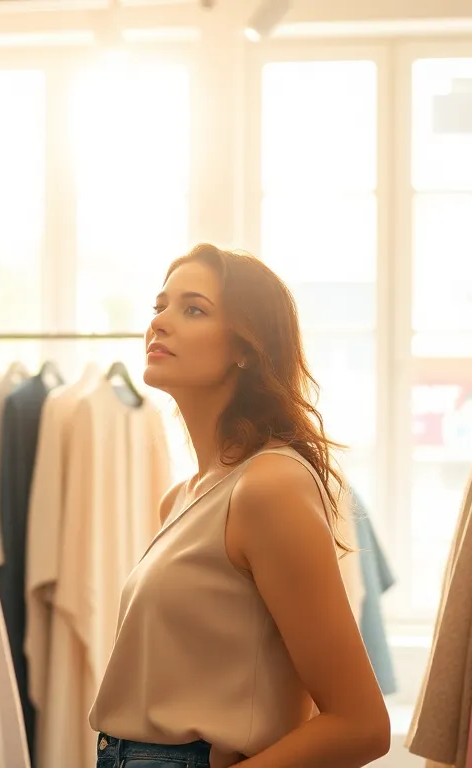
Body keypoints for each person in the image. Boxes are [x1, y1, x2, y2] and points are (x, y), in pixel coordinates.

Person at [88, 244, 391, 768]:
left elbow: (361, 725)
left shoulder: (268, 486)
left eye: (193, 308)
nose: (159, 322)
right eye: (159, 306)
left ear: (246, 347)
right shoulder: (182, 497)